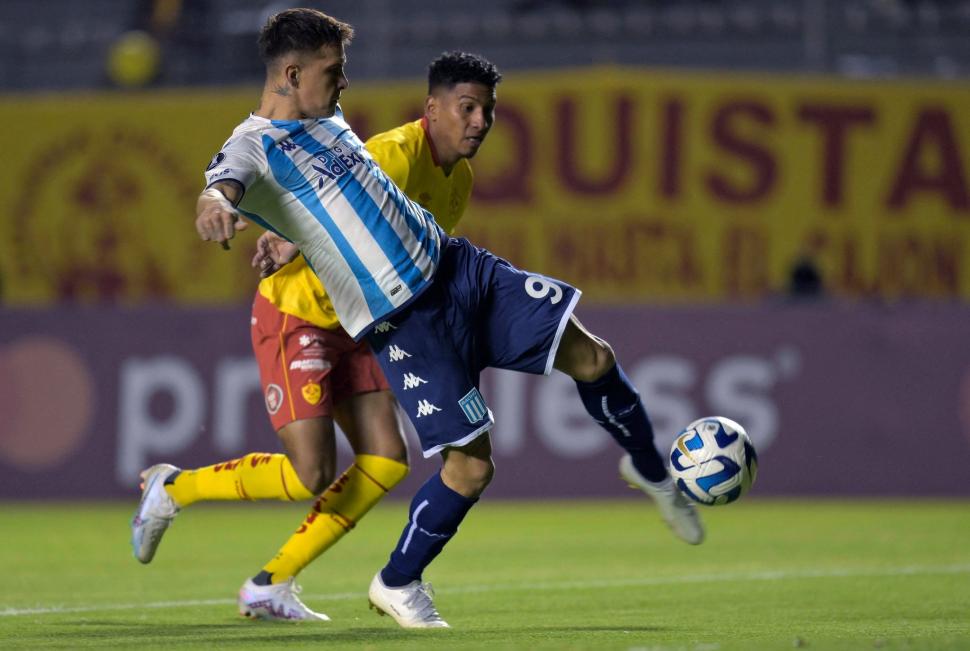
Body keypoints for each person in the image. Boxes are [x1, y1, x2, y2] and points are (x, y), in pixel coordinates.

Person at [192, 8, 703, 630]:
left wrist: (291, 237)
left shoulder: (328, 121)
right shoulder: (252, 146)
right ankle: (397, 582)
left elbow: (339, 203)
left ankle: (651, 471)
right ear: (292, 74)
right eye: (334, 71)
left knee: (593, 357)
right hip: (403, 320)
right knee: (471, 467)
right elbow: (224, 183)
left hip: (460, 271)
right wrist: (217, 205)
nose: (345, 81)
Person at [130, 50, 503, 622]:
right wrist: (287, 239)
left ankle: (269, 584)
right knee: (312, 473)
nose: (479, 122)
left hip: (361, 320)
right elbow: (333, 197)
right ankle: (175, 488)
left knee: (387, 459)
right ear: (433, 108)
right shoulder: (394, 152)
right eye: (468, 108)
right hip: (300, 312)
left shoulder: (461, 180)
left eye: (487, 112)